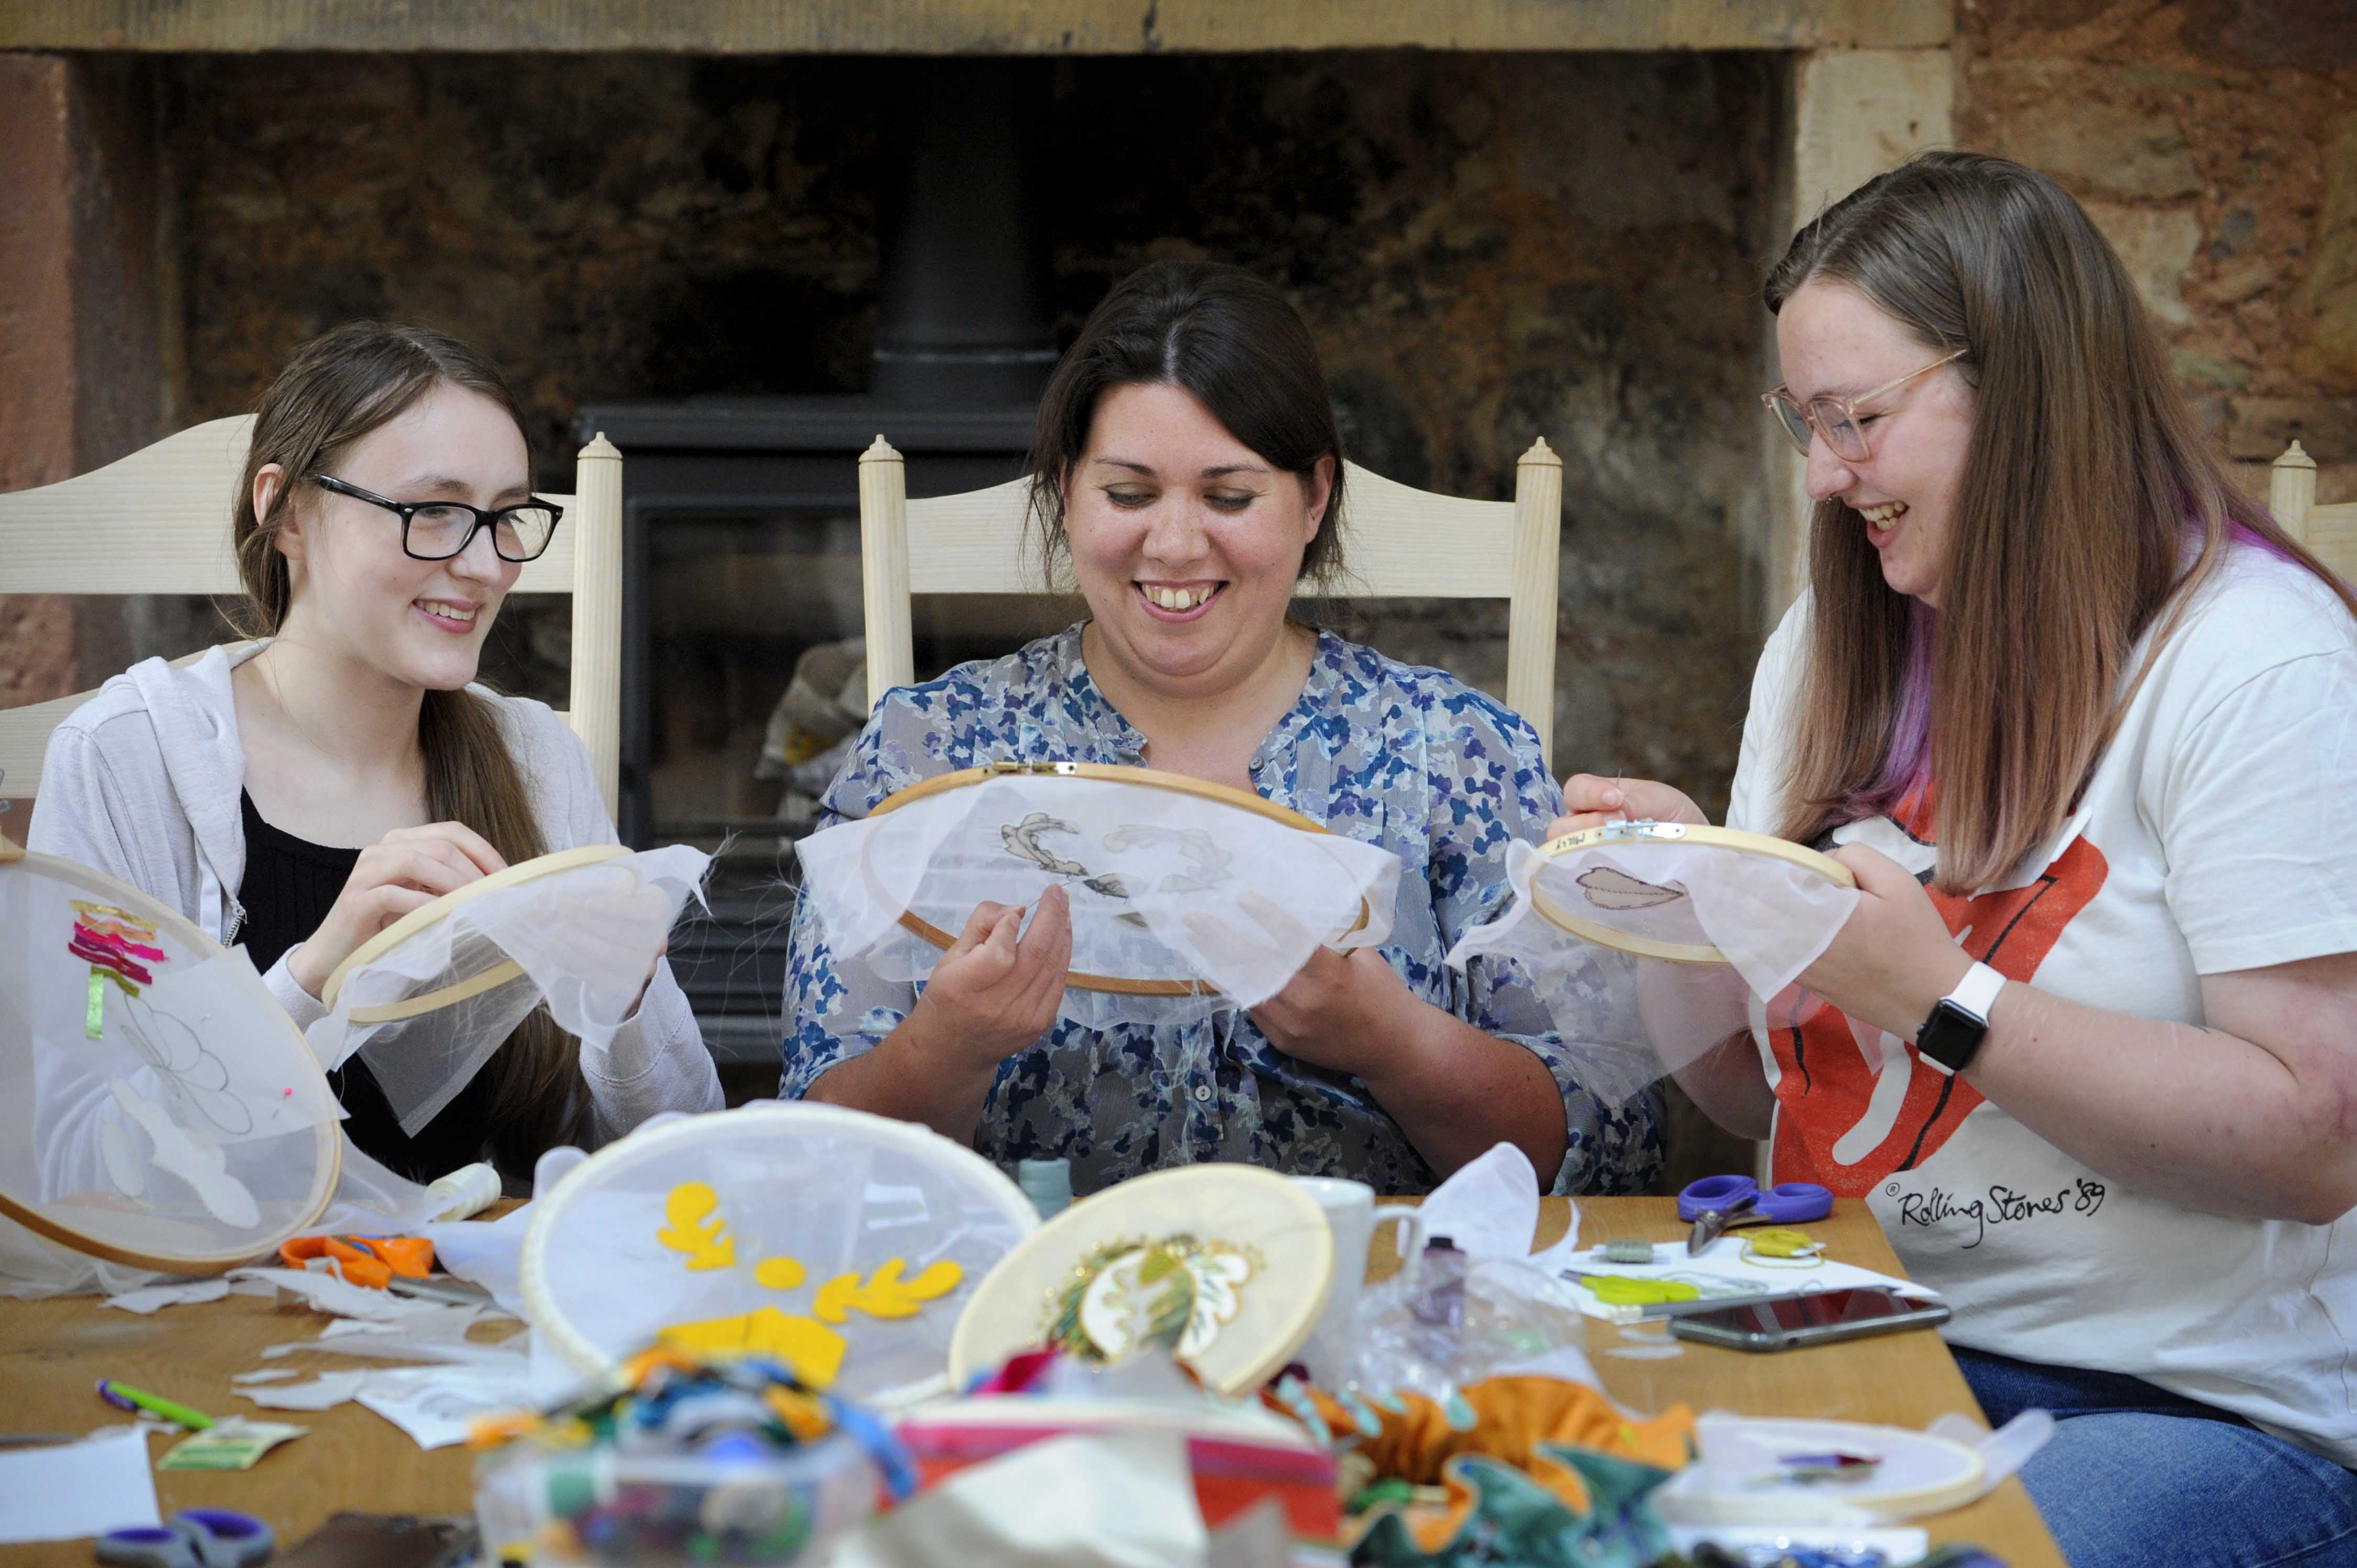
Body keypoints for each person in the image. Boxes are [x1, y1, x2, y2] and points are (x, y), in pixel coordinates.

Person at [1556, 151, 2357, 1566]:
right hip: (1855, 1344)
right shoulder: (1826, 648)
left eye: (1855, 417)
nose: (1821, 473)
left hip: (2193, 1409)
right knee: (1557, 1507)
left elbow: (2313, 1142)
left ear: (2029, 387)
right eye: (1802, 421)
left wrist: (1939, 995)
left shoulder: (2255, 665)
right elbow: (1757, 1085)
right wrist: (1690, 908)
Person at [781, 259, 1660, 1198]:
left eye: (1229, 497)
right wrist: (947, 1047)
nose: (1173, 545)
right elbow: (809, 1164)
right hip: (1020, 1316)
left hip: (1379, 1308)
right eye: (1128, 494)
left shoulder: (1454, 751)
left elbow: (1613, 1155)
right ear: (1065, 489)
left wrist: (1394, 1041)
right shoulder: (928, 753)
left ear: (1315, 496)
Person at [31, 322, 722, 1183]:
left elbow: (687, 1163)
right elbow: (74, 1164)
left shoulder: (538, 763)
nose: (485, 565)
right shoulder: (125, 764)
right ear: (285, 511)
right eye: (432, 511)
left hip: (467, 1304)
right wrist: (316, 977)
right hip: (216, 1307)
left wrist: (626, 1003)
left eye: (508, 517)